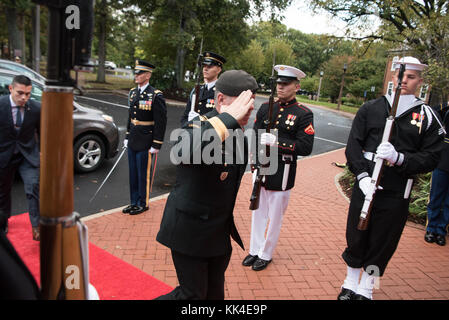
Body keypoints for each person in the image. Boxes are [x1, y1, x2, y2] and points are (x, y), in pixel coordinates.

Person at [338, 56, 445, 300]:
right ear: (393, 76)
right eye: (400, 75)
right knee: (356, 236)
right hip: (366, 185)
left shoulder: (426, 115)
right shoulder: (371, 108)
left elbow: (433, 156)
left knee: (382, 241)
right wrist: (362, 175)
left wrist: (400, 158)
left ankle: (367, 287)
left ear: (420, 80)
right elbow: (353, 145)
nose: (403, 81)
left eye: (411, 77)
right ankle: (350, 282)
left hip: (397, 190)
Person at [155, 70, 258, 300]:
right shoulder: (199, 125)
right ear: (221, 100)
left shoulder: (239, 135)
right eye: (242, 104)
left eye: (251, 105)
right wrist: (227, 118)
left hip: (217, 234)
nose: (248, 111)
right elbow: (180, 151)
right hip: (190, 232)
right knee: (191, 295)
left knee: (213, 296)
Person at [242, 65, 315, 271]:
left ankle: (266, 253)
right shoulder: (266, 107)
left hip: (282, 170)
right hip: (261, 168)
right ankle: (254, 250)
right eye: (279, 84)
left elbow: (305, 147)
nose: (281, 87)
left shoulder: (303, 114)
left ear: (296, 86)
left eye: (286, 84)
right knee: (258, 212)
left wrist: (277, 141)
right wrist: (253, 165)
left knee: (274, 216)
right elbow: (255, 136)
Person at [122, 60, 167, 215]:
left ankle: (143, 203)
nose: (136, 75)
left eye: (140, 73)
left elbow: (161, 122)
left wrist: (157, 143)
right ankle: (133, 202)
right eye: (136, 72)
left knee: (143, 174)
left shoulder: (155, 95)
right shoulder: (133, 92)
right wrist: (127, 135)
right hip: (134, 138)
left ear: (147, 75)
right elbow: (130, 116)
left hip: (146, 140)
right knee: (133, 173)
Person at [0, 75, 41, 241]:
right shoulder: (1, 105)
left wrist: (42, 153)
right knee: (3, 192)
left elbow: (43, 132)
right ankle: (3, 222)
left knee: (33, 187)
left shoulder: (36, 109)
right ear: (11, 89)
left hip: (27, 155)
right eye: (20, 93)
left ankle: (36, 225)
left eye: (28, 94)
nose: (24, 97)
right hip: (4, 155)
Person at [425, 102, 449, 246]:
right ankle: (431, 228)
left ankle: (441, 231)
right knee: (435, 198)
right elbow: (433, 112)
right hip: (442, 162)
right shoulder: (445, 111)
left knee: (448, 203)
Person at [180, 51, 226, 126]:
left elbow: (223, 120)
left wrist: (201, 121)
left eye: (210, 66)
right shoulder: (196, 89)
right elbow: (185, 116)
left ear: (219, 70)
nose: (205, 69)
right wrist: (187, 127)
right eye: (204, 66)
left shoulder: (223, 92)